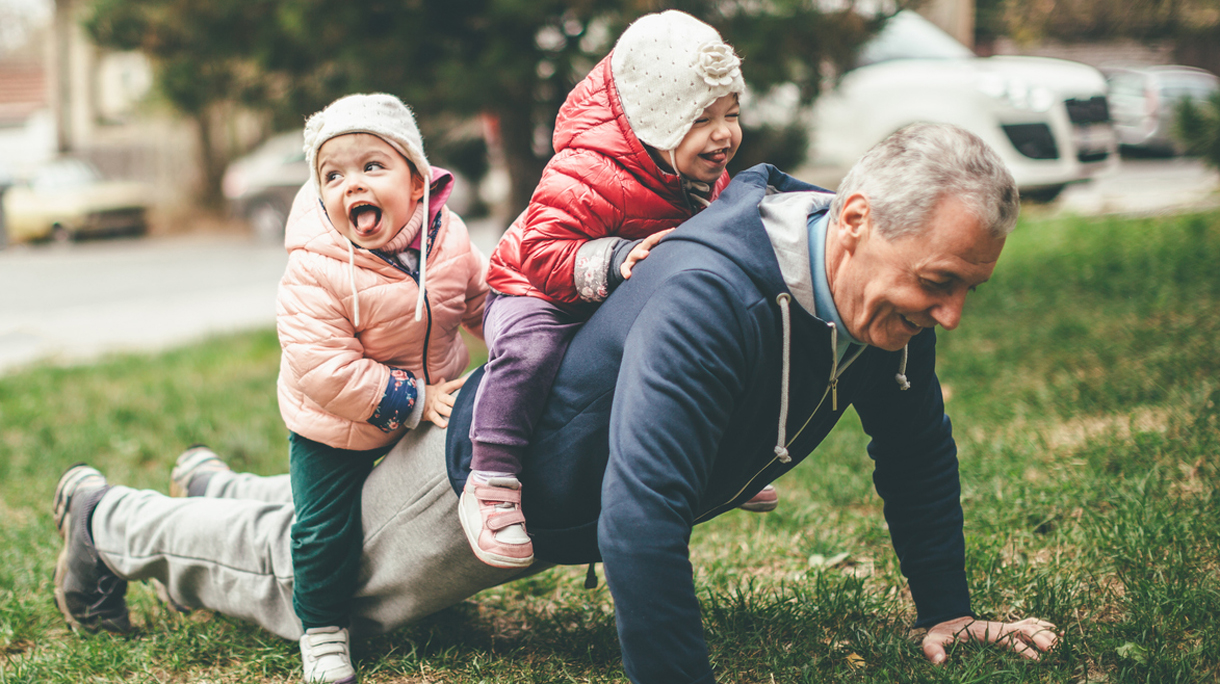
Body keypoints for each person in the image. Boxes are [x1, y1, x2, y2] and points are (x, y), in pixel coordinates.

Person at [51, 123, 1060, 684]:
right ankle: (109, 523)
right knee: (308, 584)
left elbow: (914, 447)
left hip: (545, 481)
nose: (951, 313)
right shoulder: (720, 293)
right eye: (938, 283)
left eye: (967, 286)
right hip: (488, 480)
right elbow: (639, 518)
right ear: (851, 221)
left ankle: (221, 485)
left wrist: (948, 611)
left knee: (317, 526)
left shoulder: (878, 298)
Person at [462, 9, 772, 570]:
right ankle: (492, 476)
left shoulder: (697, 173)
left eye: (731, 112)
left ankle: (718, 457)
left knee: (698, 344)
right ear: (656, 119)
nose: (724, 133)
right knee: (530, 352)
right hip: (536, 289)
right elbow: (541, 252)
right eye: (702, 118)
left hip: (617, 290)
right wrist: (618, 259)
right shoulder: (583, 171)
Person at [241, 92, 488, 683]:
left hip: (430, 395)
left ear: (418, 179)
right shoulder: (314, 267)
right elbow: (322, 367)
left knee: (431, 498)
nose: (352, 184)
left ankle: (431, 583)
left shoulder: (448, 241)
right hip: (336, 421)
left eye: (372, 166)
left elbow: (481, 299)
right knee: (326, 526)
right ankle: (323, 628)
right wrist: (414, 399)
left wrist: (515, 338)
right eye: (333, 174)